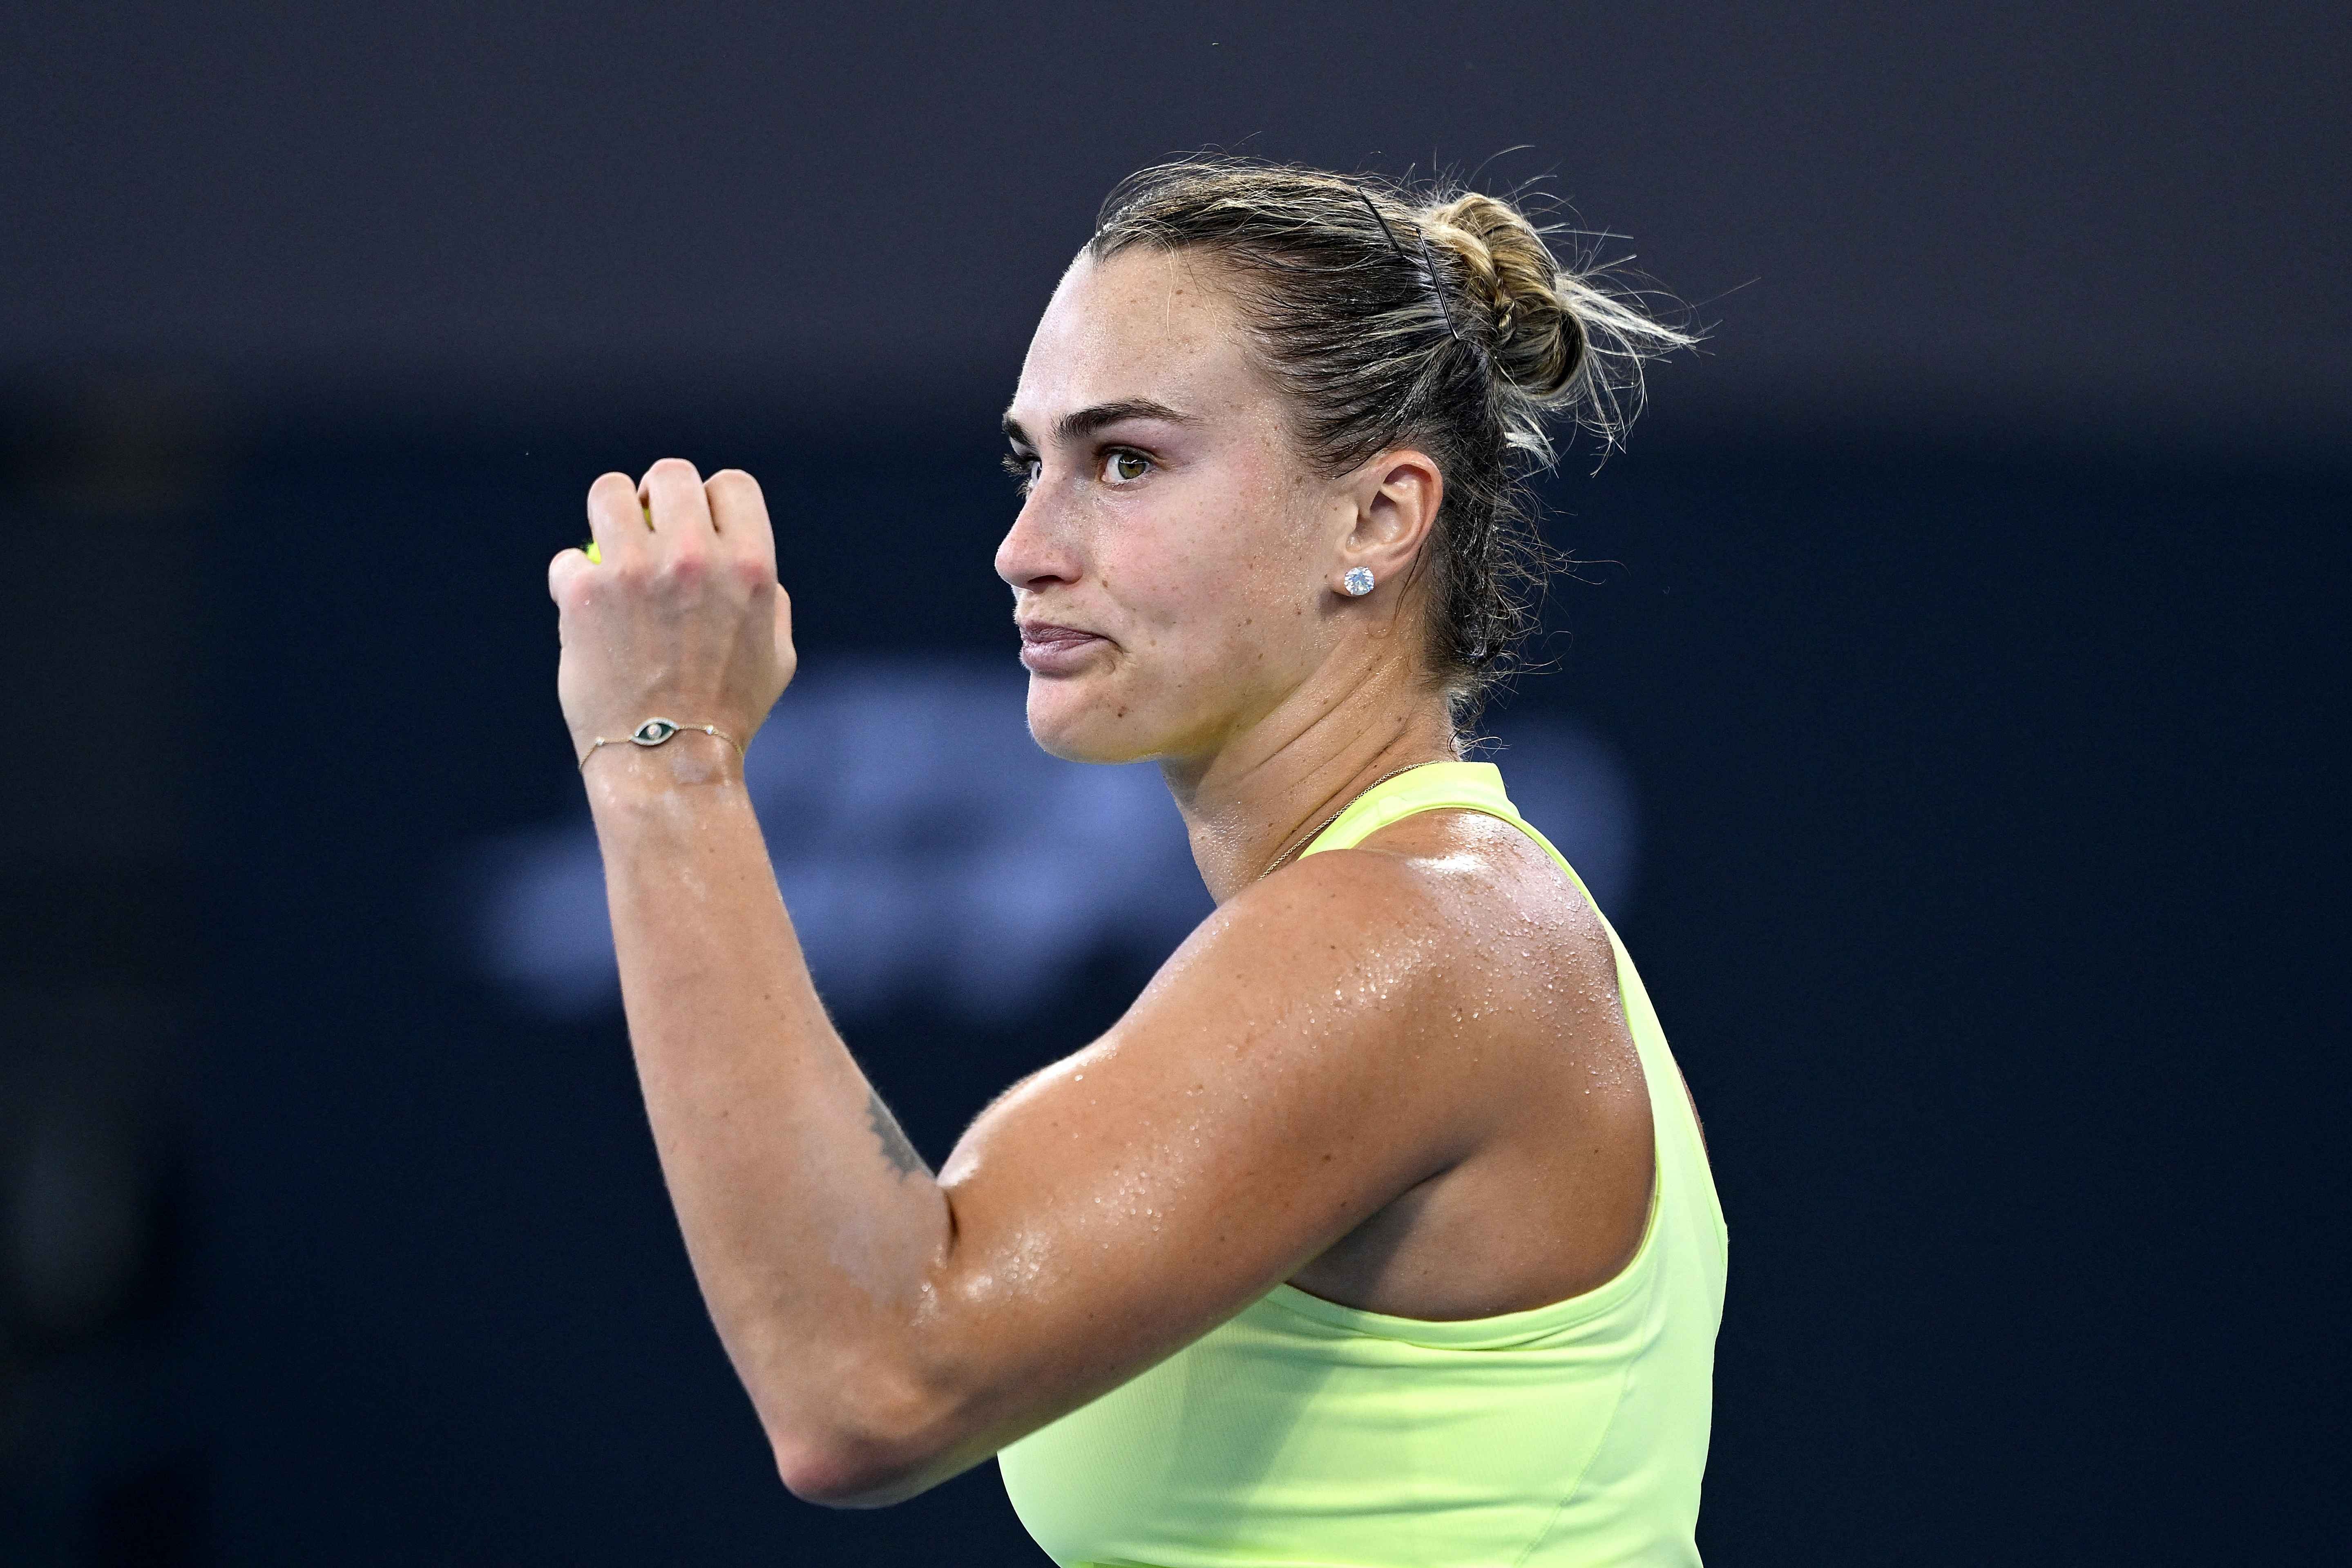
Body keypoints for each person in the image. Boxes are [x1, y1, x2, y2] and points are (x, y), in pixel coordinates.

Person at [547, 156, 1725, 1566]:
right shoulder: (1403, 922)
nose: (1024, 549)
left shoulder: (1417, 935)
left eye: (1125, 461)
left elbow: (866, 1382)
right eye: (1027, 463)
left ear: (1378, 519)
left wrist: (666, 760)